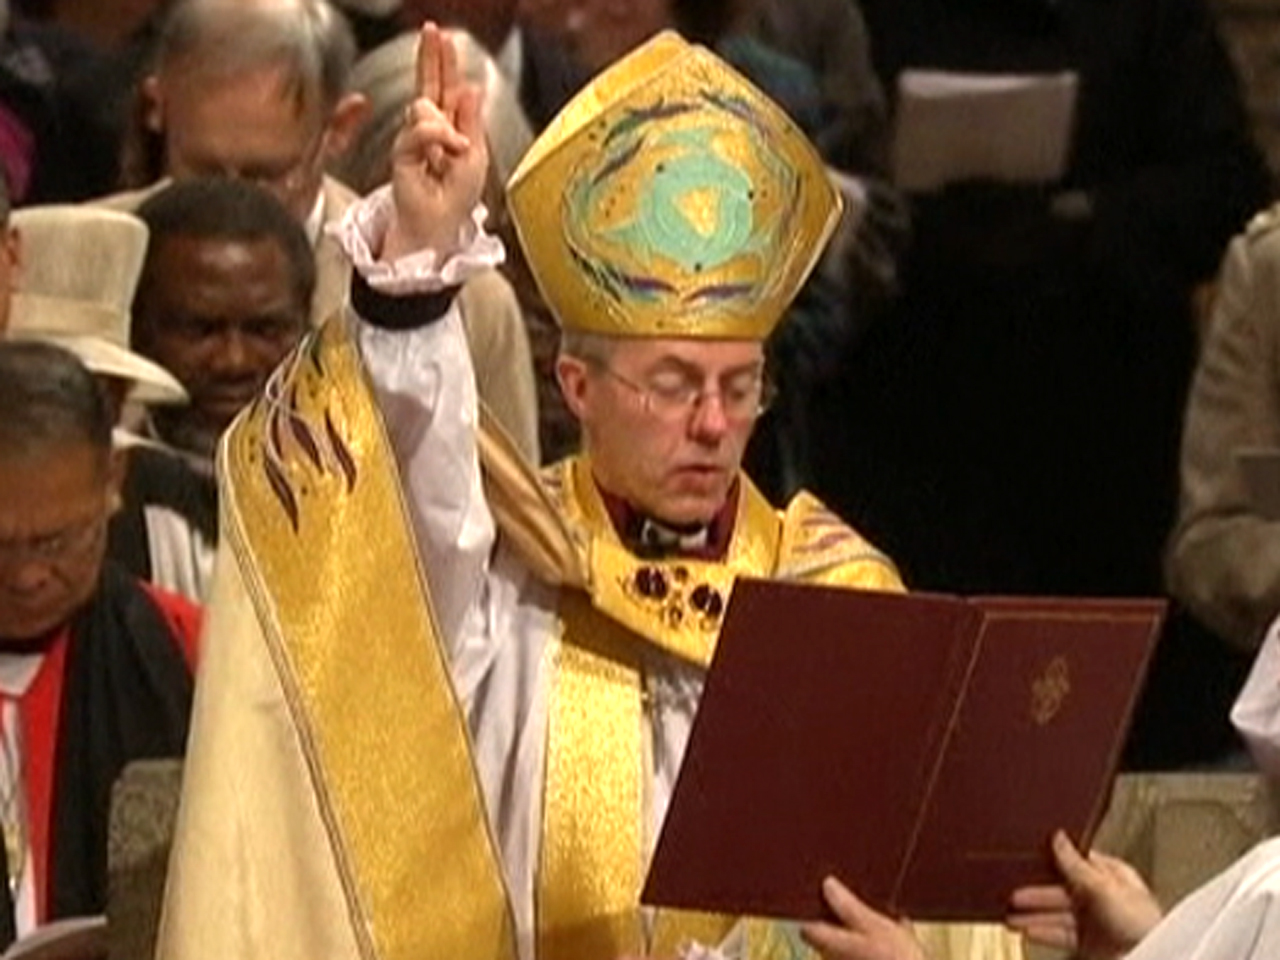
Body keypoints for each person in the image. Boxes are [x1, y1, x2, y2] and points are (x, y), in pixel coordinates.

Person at [155, 24, 1021, 960]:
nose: (712, 424)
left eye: (739, 388)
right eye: (675, 384)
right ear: (579, 389)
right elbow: (392, 516)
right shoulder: (511, 572)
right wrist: (417, 264)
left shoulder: (836, 600)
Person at [107, 0, 541, 460]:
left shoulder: (462, 304)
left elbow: (514, 522)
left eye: (265, 176)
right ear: (157, 108)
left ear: (339, 128)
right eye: (203, 170)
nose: (232, 204)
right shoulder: (74, 265)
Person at [0, 341, 198, 944]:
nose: (27, 575)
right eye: (1, 545)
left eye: (56, 542)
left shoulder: (182, 649)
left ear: (111, 483)